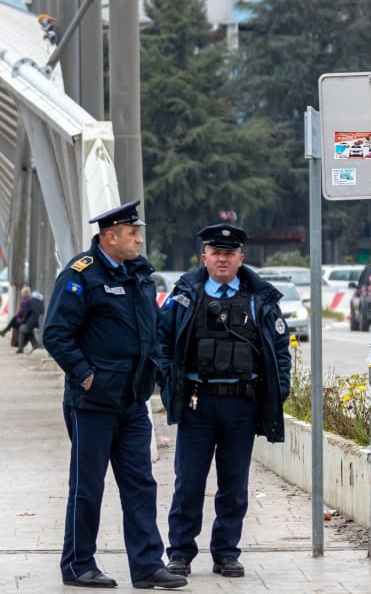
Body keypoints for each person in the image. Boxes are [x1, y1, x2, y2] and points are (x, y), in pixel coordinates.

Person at [42, 200, 186, 590]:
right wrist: (87, 376)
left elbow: (154, 331)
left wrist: (154, 368)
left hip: (132, 401)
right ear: (110, 236)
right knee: (88, 486)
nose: (139, 238)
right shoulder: (80, 275)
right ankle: (77, 565)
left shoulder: (140, 277)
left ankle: (147, 566)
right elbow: (55, 333)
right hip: (91, 403)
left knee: (140, 483)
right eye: (132, 233)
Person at [156, 223, 291, 579]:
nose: (222, 259)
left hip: (241, 406)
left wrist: (281, 388)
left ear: (240, 258)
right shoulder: (186, 295)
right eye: (215, 253)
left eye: (229, 254)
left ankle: (227, 553)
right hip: (197, 404)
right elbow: (162, 342)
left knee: (234, 485)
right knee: (189, 482)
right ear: (204, 257)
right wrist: (168, 383)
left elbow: (279, 351)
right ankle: (180, 554)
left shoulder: (259, 299)